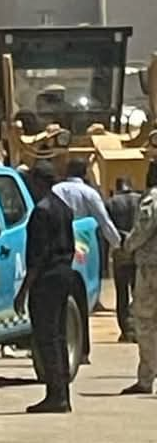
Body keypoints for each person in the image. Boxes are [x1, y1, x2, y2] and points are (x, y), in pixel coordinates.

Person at [14, 161, 75, 413]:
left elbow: (37, 258)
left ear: (38, 182)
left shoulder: (41, 211)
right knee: (58, 335)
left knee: (46, 337)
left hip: (47, 278)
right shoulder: (63, 207)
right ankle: (62, 393)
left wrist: (23, 291)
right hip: (64, 273)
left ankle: (55, 394)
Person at [53, 158, 119, 360]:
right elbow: (104, 221)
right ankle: (83, 351)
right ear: (85, 173)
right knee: (81, 301)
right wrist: (118, 244)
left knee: (59, 301)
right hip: (84, 249)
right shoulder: (89, 193)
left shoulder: (55, 190)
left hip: (57, 247)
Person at [120, 161, 157, 395]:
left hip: (152, 268)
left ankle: (146, 377)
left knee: (145, 321)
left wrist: (127, 245)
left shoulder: (152, 198)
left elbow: (143, 229)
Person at [107, 177, 141, 342]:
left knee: (122, 294)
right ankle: (138, 328)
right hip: (138, 249)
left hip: (120, 250)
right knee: (138, 292)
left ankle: (125, 331)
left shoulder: (111, 202)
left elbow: (107, 227)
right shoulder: (140, 200)